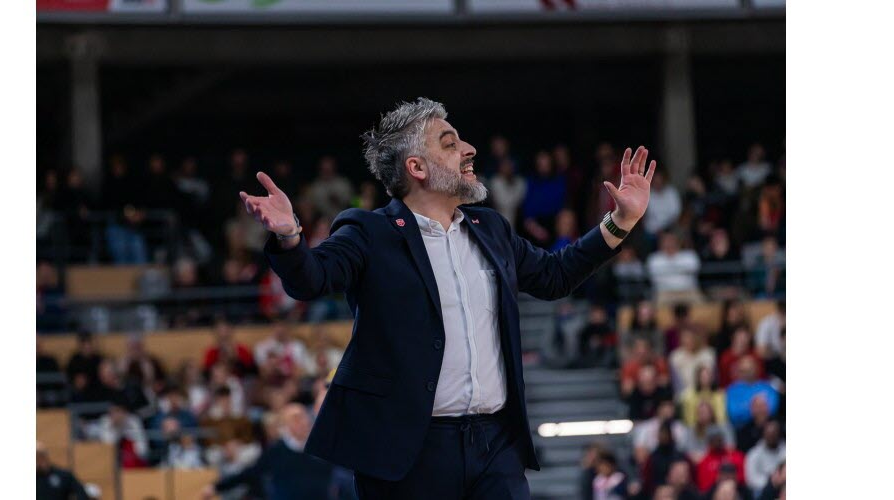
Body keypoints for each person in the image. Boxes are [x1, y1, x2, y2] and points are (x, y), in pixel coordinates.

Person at [236, 97, 658, 499]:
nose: (469, 149)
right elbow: (311, 279)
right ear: (416, 167)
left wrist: (620, 221)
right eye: (450, 143)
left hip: (495, 444)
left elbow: (555, 276)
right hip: (411, 450)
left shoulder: (491, 228)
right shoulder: (369, 232)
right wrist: (290, 236)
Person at [201, 403, 336, 500]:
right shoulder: (276, 451)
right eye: (296, 418)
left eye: (304, 417)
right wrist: (217, 487)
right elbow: (250, 473)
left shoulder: (321, 449)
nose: (303, 422)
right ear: (286, 424)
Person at [647, 233, 703, 305]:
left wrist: (668, 272)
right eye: (666, 241)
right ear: (661, 243)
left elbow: (694, 270)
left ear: (678, 242)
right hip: (664, 292)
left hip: (688, 290)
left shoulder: (689, 255)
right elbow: (655, 278)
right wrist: (681, 271)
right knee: (657, 305)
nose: (669, 243)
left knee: (703, 305)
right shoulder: (654, 259)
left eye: (671, 240)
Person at [726, 358, 780, 429]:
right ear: (739, 372)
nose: (747, 373)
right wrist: (757, 409)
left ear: (757, 369)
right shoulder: (732, 390)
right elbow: (734, 413)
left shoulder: (767, 387)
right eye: (744, 371)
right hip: (742, 428)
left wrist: (747, 407)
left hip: (766, 426)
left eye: (750, 370)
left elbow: (772, 408)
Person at [668, 329, 716, 397]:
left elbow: (712, 379)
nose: (689, 342)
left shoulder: (708, 354)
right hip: (685, 395)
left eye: (691, 339)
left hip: (707, 393)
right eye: (686, 340)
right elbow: (677, 384)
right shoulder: (675, 357)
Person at [695, 428, 745, 493]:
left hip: (737, 491)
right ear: (709, 442)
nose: (716, 442)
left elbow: (743, 479)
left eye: (718, 439)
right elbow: (704, 488)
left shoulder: (736, 456)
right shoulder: (703, 463)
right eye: (713, 439)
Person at [744, 421, 785, 497]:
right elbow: (751, 479)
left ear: (779, 434)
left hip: (783, 486)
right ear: (763, 434)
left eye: (774, 433)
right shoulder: (754, 453)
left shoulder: (785, 451)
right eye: (769, 434)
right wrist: (771, 483)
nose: (771, 436)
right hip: (761, 489)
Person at [308, 155, 355, 221]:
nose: (326, 172)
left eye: (328, 169)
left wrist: (339, 200)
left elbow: (353, 202)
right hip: (321, 222)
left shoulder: (343, 184)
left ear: (334, 168)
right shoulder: (315, 187)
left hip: (342, 218)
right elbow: (310, 207)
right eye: (324, 169)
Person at [488, 158, 527, 230]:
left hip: (517, 220)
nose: (507, 169)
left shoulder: (520, 181)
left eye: (510, 166)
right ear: (500, 168)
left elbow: (519, 202)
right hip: (498, 218)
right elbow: (502, 202)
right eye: (504, 166)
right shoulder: (495, 181)